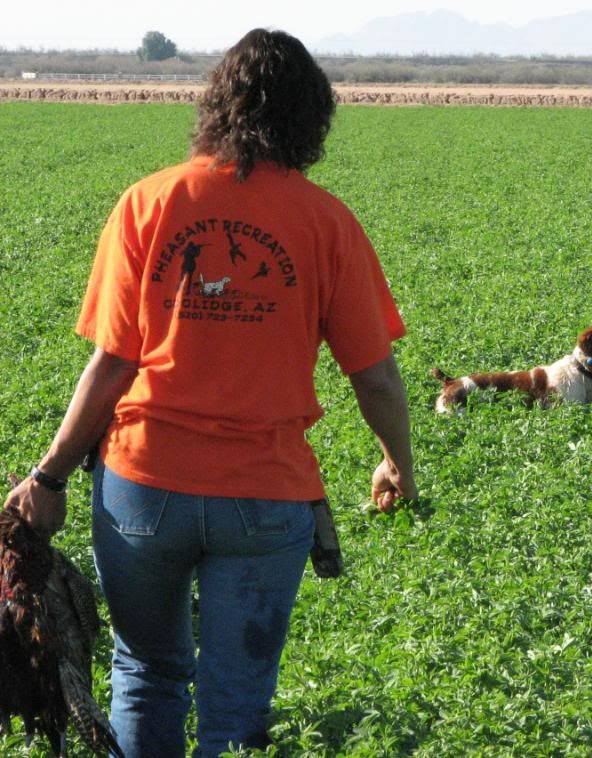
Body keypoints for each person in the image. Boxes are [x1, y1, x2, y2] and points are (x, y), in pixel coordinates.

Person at [3, 28, 416, 757]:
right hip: (265, 495)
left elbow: (110, 365)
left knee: (148, 671)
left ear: (216, 105)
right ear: (311, 115)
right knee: (236, 704)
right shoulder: (327, 223)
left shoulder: (149, 202)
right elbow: (375, 375)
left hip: (142, 489)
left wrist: (50, 475)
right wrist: (397, 464)